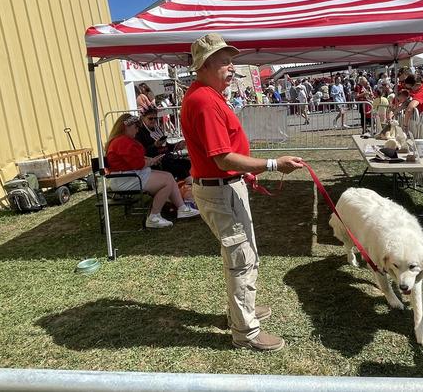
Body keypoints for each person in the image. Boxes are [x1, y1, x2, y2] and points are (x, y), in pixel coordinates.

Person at [181, 33, 304, 352]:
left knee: (243, 255)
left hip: (223, 187)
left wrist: (246, 171)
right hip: (220, 190)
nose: (232, 67)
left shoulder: (207, 94)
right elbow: (223, 158)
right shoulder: (205, 100)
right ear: (205, 65)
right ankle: (245, 333)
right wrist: (273, 163)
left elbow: (224, 156)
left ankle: (242, 310)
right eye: (225, 62)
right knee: (241, 259)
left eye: (231, 61)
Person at [105, 114, 199, 229]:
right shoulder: (121, 142)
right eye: (136, 127)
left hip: (130, 176)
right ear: (126, 127)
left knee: (168, 176)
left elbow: (133, 160)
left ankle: (182, 208)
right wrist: (150, 162)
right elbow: (138, 164)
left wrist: (149, 160)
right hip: (126, 178)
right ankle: (154, 216)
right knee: (166, 181)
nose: (138, 129)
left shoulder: (122, 141)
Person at [135, 107, 192, 185]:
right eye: (150, 118)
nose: (154, 121)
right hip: (156, 162)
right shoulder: (140, 133)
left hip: (166, 157)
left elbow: (166, 146)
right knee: (179, 168)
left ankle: (183, 188)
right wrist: (154, 146)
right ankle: (188, 189)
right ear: (142, 118)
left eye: (155, 118)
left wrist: (177, 145)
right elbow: (143, 153)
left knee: (187, 163)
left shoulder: (157, 129)